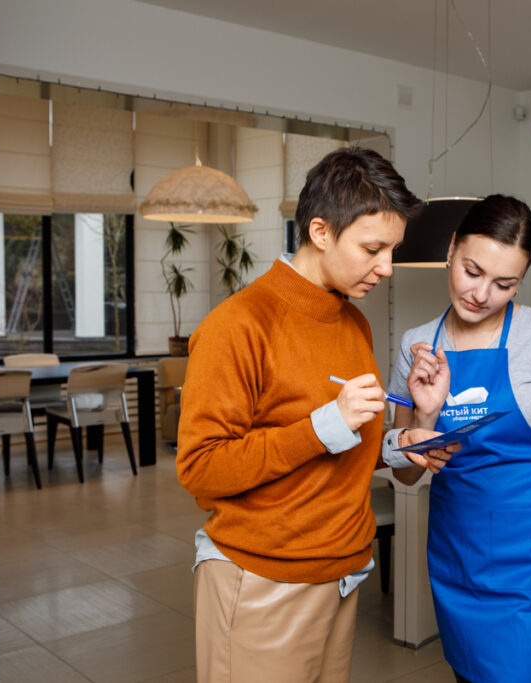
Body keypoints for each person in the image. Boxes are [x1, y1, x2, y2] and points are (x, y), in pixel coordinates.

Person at [176, 146, 454, 683]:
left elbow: (352, 451)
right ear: (321, 232)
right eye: (373, 249)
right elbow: (202, 470)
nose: (387, 269)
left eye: (392, 250)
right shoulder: (237, 326)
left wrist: (413, 434)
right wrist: (324, 425)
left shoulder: (353, 323)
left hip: (343, 573)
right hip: (263, 580)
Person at [388, 194, 531, 683]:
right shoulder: (415, 346)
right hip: (456, 552)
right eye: (472, 271)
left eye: (503, 283)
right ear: (451, 249)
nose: (481, 294)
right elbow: (404, 475)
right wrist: (424, 416)